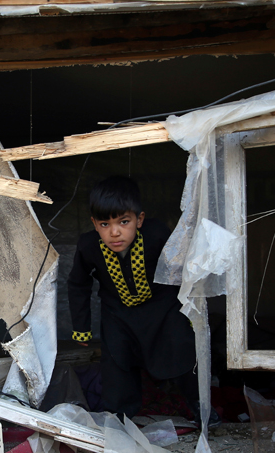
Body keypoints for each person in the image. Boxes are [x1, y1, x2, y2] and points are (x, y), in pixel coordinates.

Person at [67, 176, 203, 420]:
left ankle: (200, 406)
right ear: (94, 224)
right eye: (104, 224)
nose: (115, 232)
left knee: (183, 351)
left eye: (124, 221)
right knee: (117, 365)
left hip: (162, 309)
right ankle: (120, 419)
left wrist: (191, 310)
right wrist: (81, 328)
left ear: (139, 219)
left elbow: (183, 270)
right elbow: (78, 284)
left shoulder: (158, 234)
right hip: (117, 314)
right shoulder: (88, 246)